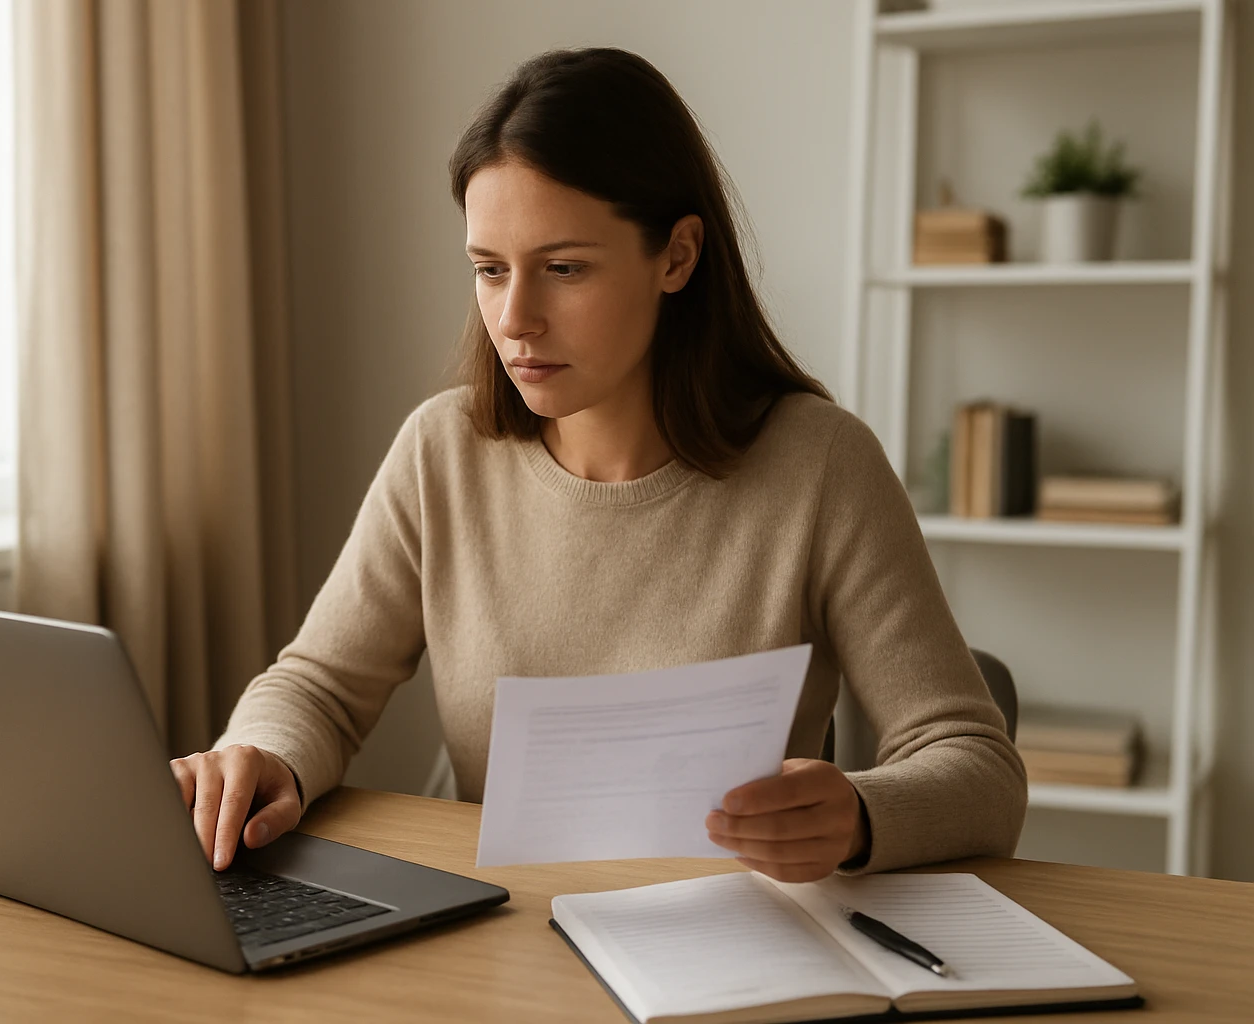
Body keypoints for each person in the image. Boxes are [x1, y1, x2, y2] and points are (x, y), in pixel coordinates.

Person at [169, 47, 1025, 884]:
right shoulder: (442, 452)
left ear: (677, 257)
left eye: (563, 269)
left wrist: (862, 813)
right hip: (505, 950)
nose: (515, 319)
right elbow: (319, 686)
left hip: (736, 952)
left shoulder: (822, 466)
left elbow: (977, 765)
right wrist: (261, 755)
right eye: (489, 270)